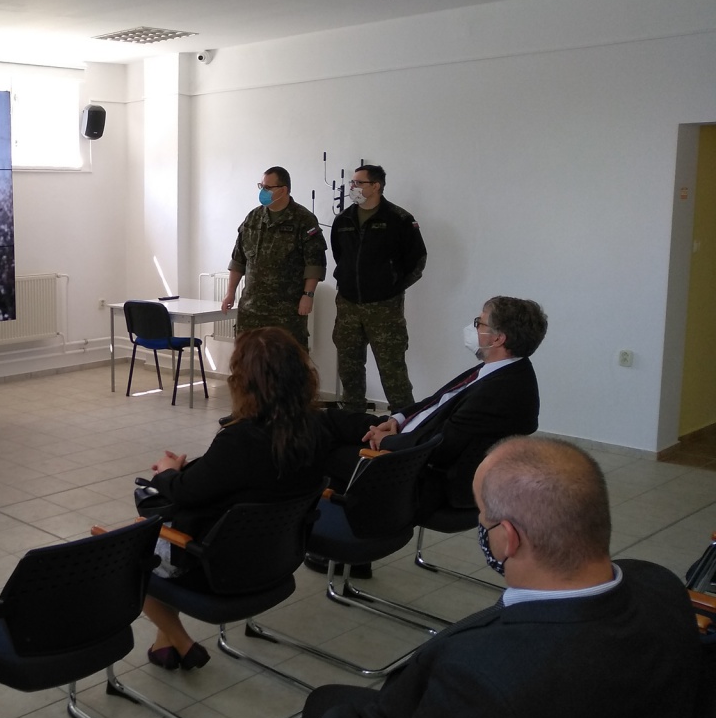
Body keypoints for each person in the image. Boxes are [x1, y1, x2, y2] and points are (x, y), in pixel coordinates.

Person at [176, 437, 708, 718]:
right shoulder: (661, 586)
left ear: (508, 539)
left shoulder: (483, 677)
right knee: (326, 698)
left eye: (484, 519)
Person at [135, 328, 326, 670]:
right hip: (278, 557)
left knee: (135, 548)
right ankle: (164, 644)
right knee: (167, 535)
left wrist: (166, 472)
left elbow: (186, 492)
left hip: (220, 568)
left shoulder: (239, 441)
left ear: (244, 382)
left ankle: (181, 641)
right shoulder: (316, 429)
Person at [320, 295, 545, 516]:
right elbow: (436, 402)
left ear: (498, 339)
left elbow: (438, 447)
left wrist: (386, 441)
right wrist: (396, 419)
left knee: (322, 447)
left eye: (479, 323)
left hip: (421, 472)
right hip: (410, 433)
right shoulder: (504, 369)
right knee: (324, 419)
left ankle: (340, 523)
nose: (473, 327)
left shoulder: (500, 391)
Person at [330, 164, 426, 412]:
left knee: (392, 368)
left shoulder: (399, 219)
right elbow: (340, 257)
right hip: (348, 304)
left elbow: (416, 261)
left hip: (384, 308)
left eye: (358, 183)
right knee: (349, 366)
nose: (353, 187)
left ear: (376, 186)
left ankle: (404, 419)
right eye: (352, 183)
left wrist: (391, 287)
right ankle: (353, 416)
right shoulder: (343, 220)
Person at [222, 166, 326, 352]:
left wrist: (308, 295)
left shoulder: (303, 219)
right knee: (248, 360)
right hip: (251, 309)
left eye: (268, 187)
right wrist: (230, 292)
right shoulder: (253, 218)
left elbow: (314, 263)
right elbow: (238, 260)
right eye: (261, 186)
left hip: (286, 311)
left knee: (288, 361)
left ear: (283, 190)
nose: (263, 191)